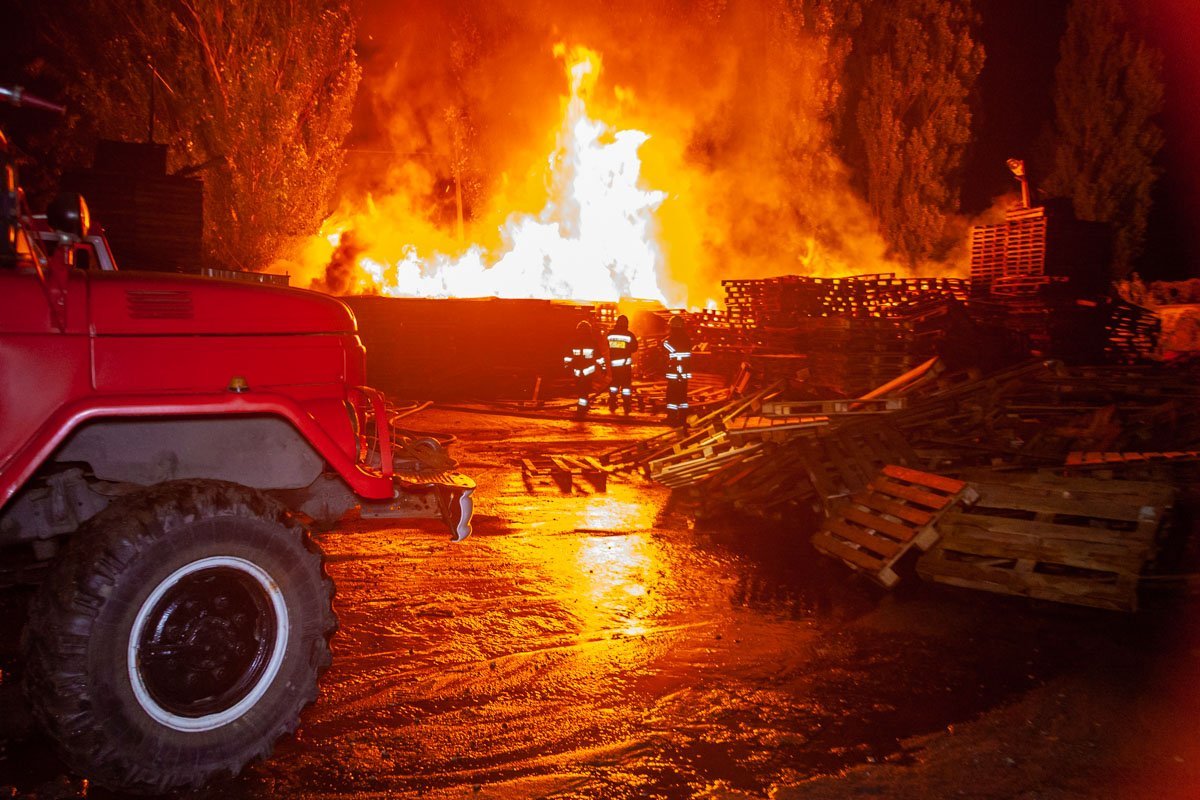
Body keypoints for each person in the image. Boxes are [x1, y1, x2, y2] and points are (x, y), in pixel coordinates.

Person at [601, 314, 639, 415]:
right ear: (626, 324)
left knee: (614, 384)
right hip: (625, 365)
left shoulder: (611, 334)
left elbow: (607, 345)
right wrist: (626, 349)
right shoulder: (629, 335)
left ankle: (612, 402)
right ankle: (626, 405)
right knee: (626, 386)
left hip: (614, 365)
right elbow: (634, 348)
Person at [564, 319, 600, 419]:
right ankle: (582, 407)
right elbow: (599, 357)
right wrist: (603, 368)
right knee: (585, 391)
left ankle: (583, 406)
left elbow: (568, 357)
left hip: (578, 372)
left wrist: (567, 367)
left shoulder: (573, 342)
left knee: (581, 390)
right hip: (588, 372)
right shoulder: (592, 342)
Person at [663, 314, 692, 426]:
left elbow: (667, 345)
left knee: (672, 396)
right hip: (684, 373)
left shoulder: (671, 339)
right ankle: (682, 418)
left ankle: (672, 418)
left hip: (676, 373)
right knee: (682, 397)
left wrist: (665, 345)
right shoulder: (686, 338)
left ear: (672, 326)